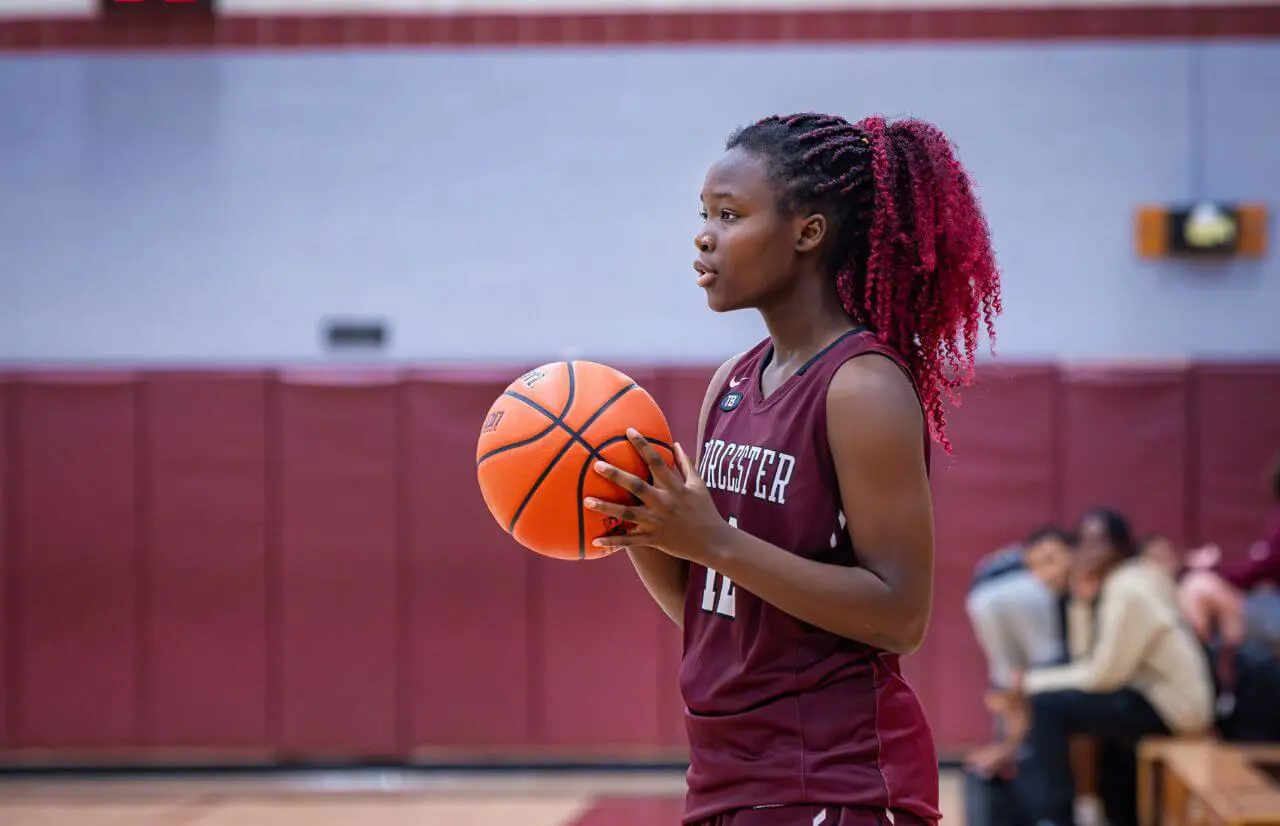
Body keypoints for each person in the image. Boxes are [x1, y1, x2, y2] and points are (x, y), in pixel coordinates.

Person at [580, 112, 1002, 825]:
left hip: (834, 781)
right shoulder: (732, 382)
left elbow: (901, 616)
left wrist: (713, 540)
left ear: (808, 232)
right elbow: (716, 607)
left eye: (730, 214)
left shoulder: (861, 386)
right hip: (725, 775)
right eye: (704, 214)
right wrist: (644, 527)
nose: (704, 235)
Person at [1009, 508, 1214, 826]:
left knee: (1049, 705)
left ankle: (1055, 818)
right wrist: (1081, 601)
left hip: (1176, 709)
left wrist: (1032, 682)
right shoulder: (1119, 582)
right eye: (1084, 544)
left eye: (1097, 543)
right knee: (1091, 721)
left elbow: (1102, 675)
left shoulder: (1129, 589)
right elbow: (1085, 659)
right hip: (1148, 696)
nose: (1087, 553)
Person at [964, 527, 1075, 779]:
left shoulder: (1013, 563)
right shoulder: (1041, 578)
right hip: (1007, 589)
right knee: (1040, 679)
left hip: (979, 592)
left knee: (1010, 682)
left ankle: (1009, 755)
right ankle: (1024, 763)